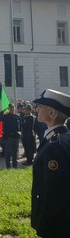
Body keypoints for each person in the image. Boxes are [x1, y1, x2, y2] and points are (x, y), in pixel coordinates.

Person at [31, 89, 70, 238]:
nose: (37, 109)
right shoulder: (62, 138)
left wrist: (44, 226)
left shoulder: (56, 145)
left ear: (51, 113)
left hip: (57, 225)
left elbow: (53, 192)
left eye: (40, 106)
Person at [0, 103, 22, 168]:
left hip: (16, 137)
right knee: (8, 153)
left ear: (14, 108)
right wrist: (3, 110)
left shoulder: (17, 117)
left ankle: (15, 167)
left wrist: (20, 133)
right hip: (8, 137)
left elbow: (21, 126)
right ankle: (8, 167)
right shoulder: (5, 116)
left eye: (13, 108)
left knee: (15, 153)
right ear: (9, 108)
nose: (12, 109)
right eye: (10, 108)